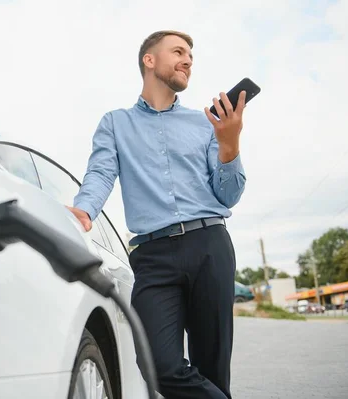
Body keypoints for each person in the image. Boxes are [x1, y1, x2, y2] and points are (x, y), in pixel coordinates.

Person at [67, 30, 247, 399]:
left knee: (212, 369)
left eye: (191, 56)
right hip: (152, 256)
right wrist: (84, 210)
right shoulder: (115, 123)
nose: (188, 60)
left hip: (209, 244)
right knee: (160, 367)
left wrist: (230, 144)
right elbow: (101, 173)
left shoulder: (205, 125)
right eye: (178, 51)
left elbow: (228, 194)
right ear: (149, 60)